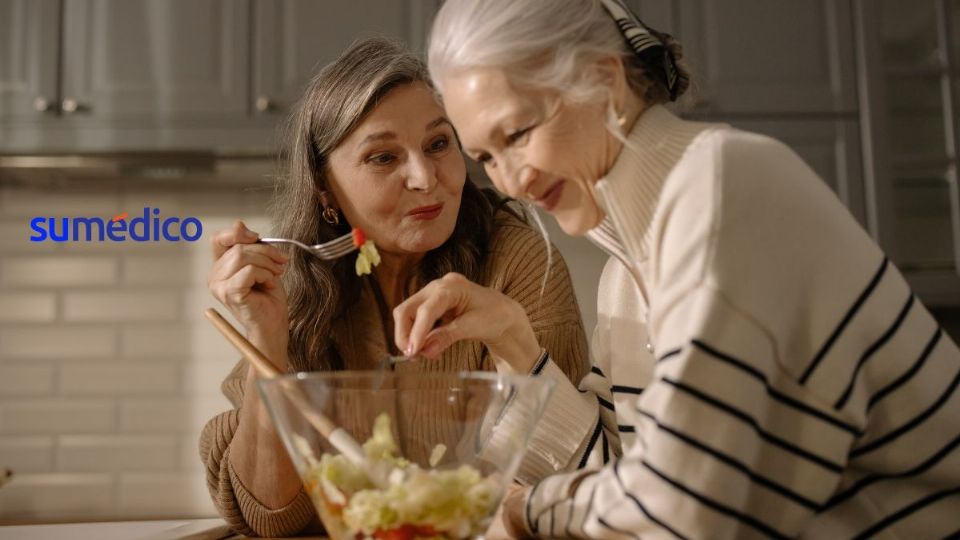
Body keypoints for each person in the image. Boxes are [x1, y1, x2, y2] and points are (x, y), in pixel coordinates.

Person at [392, 0, 960, 537]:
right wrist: (515, 339)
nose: (511, 181)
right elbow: (625, 477)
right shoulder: (627, 272)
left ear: (605, 81)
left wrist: (522, 512)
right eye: (488, 158)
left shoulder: (723, 185)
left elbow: (683, 509)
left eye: (517, 134)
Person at [199, 37, 598, 538]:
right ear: (326, 188)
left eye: (438, 144)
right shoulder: (294, 284)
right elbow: (269, 514)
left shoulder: (518, 262)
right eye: (383, 158)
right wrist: (267, 336)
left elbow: (558, 480)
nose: (425, 178)